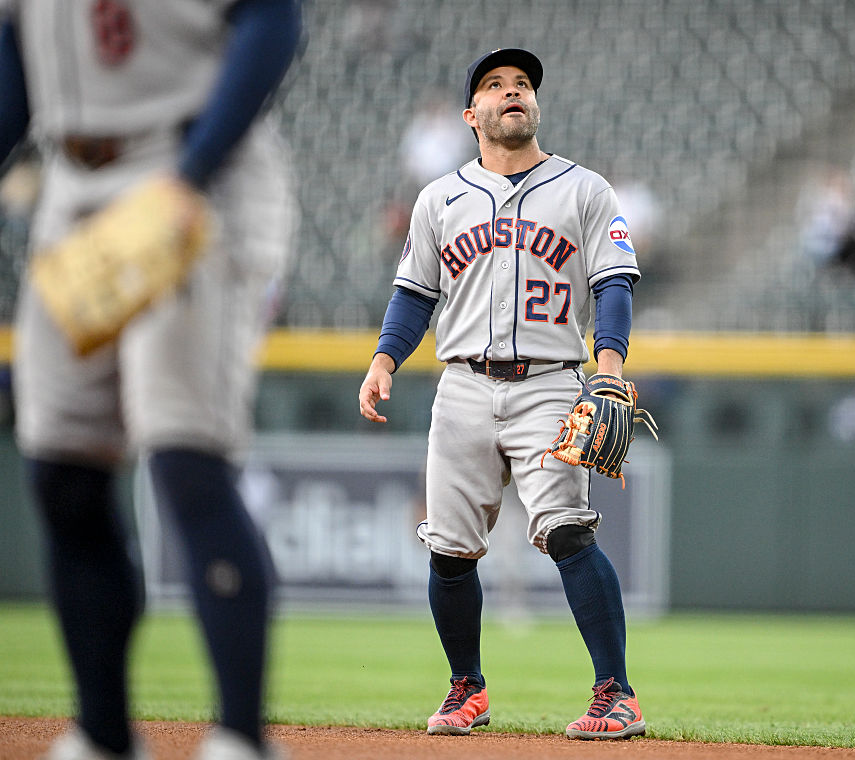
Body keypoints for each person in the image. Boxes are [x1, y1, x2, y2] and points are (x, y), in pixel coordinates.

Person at [0, 2, 302, 759]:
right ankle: (102, 733)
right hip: (68, 182)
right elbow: (14, 59)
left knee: (184, 457)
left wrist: (193, 171)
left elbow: (272, 17)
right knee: (61, 470)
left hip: (193, 167)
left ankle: (240, 738)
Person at [358, 48, 646, 741]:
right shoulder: (439, 198)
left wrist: (607, 365)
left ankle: (618, 694)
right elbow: (413, 295)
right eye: (495, 86)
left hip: (549, 381)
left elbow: (613, 281)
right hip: (460, 384)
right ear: (471, 115)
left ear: (535, 106)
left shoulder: (584, 190)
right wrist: (383, 361)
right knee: (450, 550)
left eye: (522, 85)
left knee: (567, 531)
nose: (512, 92)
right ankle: (468, 689)